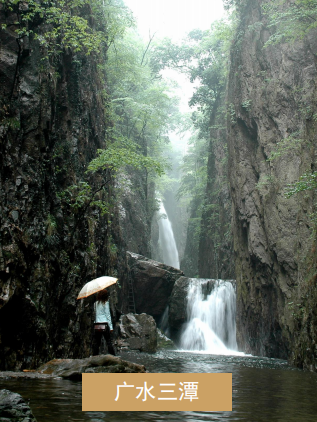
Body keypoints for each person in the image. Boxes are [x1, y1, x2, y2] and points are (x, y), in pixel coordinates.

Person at [92, 288, 116, 356]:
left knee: (97, 342)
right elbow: (108, 315)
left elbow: (95, 314)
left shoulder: (95, 304)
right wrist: (111, 327)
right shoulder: (106, 303)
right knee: (108, 341)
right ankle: (113, 356)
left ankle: (94, 357)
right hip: (104, 324)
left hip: (97, 325)